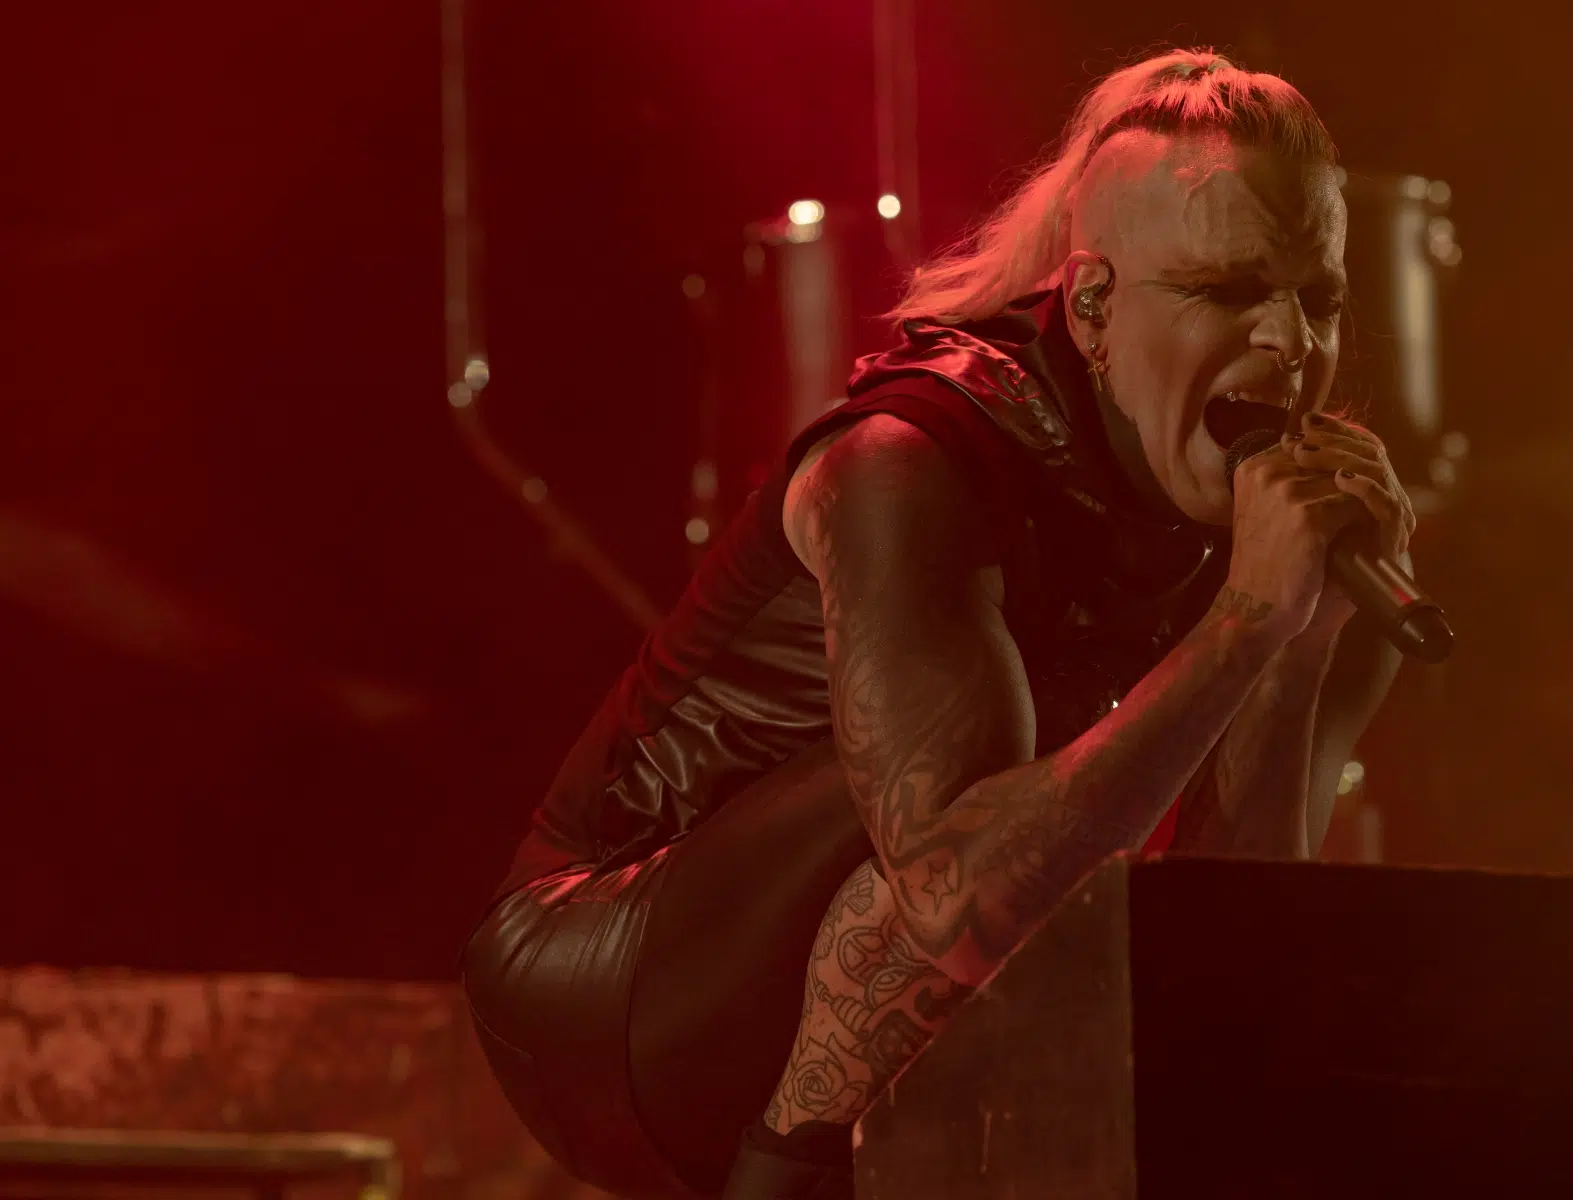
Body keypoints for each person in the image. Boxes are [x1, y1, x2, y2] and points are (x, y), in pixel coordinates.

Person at [462, 47, 1413, 1200]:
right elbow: (947, 890)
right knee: (971, 829)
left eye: (1319, 299)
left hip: (856, 970)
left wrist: (1296, 648)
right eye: (1226, 292)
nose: (1291, 343)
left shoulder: (1258, 518)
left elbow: (1228, 925)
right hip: (599, 985)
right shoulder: (910, 462)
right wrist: (1245, 622)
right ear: (1095, 305)